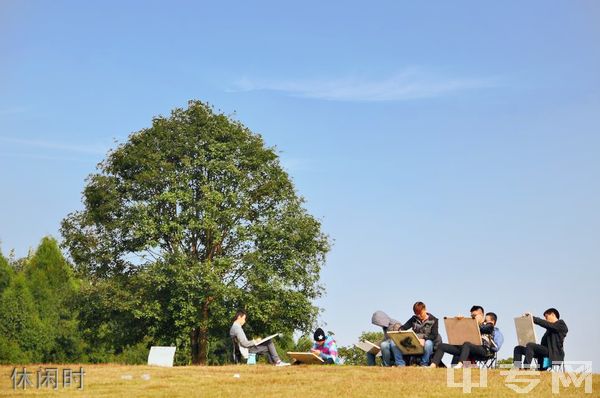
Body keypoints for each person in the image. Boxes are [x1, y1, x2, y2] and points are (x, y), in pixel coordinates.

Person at [429, 305, 498, 368]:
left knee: (467, 344)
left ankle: (460, 365)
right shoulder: (470, 324)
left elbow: (486, 329)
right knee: (442, 346)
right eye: (472, 316)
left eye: (474, 316)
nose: (472, 318)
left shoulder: (489, 325)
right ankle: (433, 365)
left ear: (481, 315)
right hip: (467, 348)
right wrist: (458, 322)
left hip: (484, 350)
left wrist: (476, 323)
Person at [395, 301, 441, 366]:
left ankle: (424, 364)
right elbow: (405, 326)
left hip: (427, 342)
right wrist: (401, 329)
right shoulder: (414, 318)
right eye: (417, 314)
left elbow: (434, 335)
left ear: (425, 309)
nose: (418, 316)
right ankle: (401, 364)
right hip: (414, 341)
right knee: (397, 342)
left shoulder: (434, 320)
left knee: (428, 343)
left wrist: (424, 339)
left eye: (420, 313)